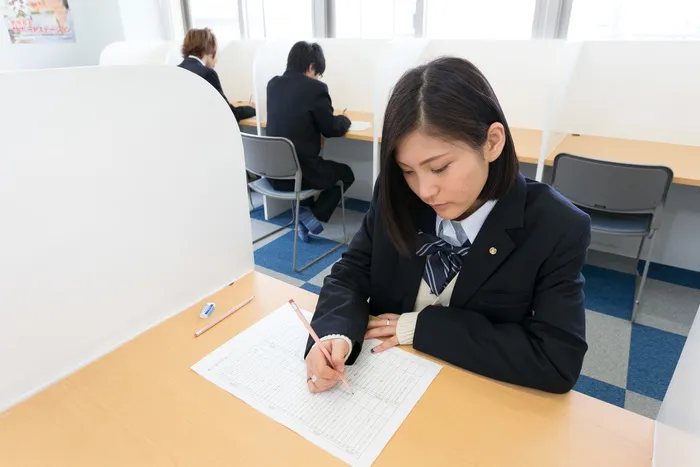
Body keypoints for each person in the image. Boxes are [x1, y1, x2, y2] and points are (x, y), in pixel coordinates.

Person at [304, 57, 591, 395]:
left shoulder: (556, 226)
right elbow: (352, 270)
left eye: (439, 168)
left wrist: (421, 328)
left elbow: (557, 360)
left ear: (492, 142)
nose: (424, 191)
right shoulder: (396, 191)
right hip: (382, 381)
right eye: (408, 170)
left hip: (478, 393)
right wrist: (333, 333)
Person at [266, 41, 354, 242]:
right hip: (300, 175)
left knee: (313, 162)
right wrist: (344, 119)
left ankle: (304, 213)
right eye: (317, 73)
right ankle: (312, 214)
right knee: (346, 174)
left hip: (274, 175)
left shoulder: (273, 84)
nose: (317, 77)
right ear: (311, 66)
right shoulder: (316, 88)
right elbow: (331, 129)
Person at [178, 28, 255, 123]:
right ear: (210, 51)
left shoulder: (177, 70)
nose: (217, 60)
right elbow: (229, 113)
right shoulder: (207, 73)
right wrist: (251, 108)